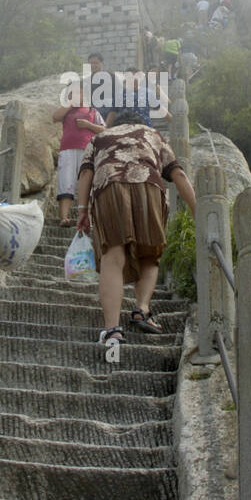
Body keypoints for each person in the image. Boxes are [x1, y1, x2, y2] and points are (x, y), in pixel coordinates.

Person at [75, 108, 197, 346]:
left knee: (113, 256)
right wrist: (198, 211)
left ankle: (112, 331)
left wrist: (81, 211)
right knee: (150, 254)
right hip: (148, 186)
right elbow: (178, 173)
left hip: (109, 187)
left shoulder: (100, 137)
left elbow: (86, 172)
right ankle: (141, 309)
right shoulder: (152, 133)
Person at [53, 85, 104, 226]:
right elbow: (55, 117)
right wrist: (70, 103)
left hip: (87, 150)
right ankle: (64, 217)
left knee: (87, 183)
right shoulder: (66, 111)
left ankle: (88, 217)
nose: (76, 95)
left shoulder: (92, 110)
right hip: (67, 150)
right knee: (66, 182)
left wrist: (89, 125)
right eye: (72, 93)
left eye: (79, 93)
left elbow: (104, 129)